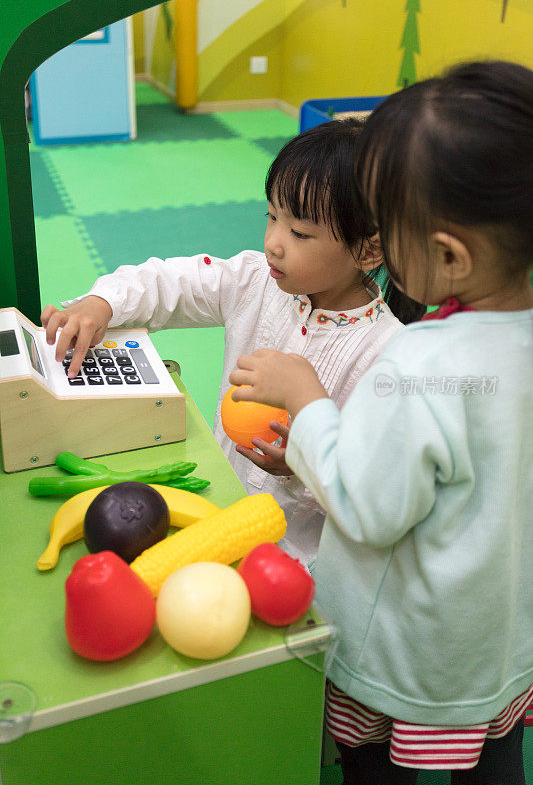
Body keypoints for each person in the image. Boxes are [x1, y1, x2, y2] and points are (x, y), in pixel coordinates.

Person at [229, 60, 533, 783]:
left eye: (386, 231)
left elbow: (366, 507)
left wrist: (307, 405)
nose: (378, 251)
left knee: (372, 768)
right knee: (493, 759)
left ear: (447, 256)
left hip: (409, 648)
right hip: (500, 639)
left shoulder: (419, 365)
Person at [41, 118, 422, 564]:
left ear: (368, 250)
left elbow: (371, 494)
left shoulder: (386, 354)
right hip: (212, 507)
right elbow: (171, 282)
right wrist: (101, 303)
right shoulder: (255, 282)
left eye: (299, 232)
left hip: (293, 560)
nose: (274, 243)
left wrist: (301, 467)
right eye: (272, 216)